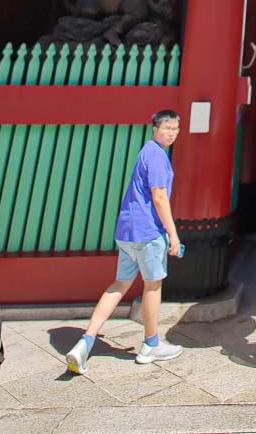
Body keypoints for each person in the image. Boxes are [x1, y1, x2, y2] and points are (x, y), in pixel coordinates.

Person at [66, 110, 183, 374]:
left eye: (176, 129)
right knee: (152, 286)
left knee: (119, 284)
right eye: (167, 128)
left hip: (127, 231)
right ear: (154, 128)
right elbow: (159, 196)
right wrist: (172, 233)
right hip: (148, 231)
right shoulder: (156, 155)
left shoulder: (146, 152)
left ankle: (86, 340)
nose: (172, 133)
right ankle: (151, 344)